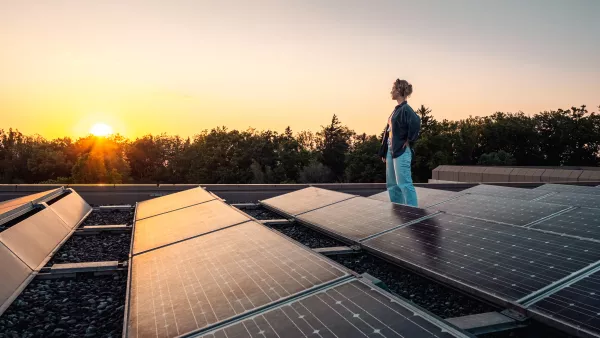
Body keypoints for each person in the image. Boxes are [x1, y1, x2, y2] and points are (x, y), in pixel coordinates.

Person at [378, 79, 421, 207]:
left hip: (401, 151)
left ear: (399, 90)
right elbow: (388, 131)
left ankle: (413, 213)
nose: (391, 91)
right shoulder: (396, 110)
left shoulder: (406, 109)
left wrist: (409, 140)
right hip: (391, 150)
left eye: (393, 89)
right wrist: (384, 150)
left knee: (404, 183)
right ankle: (399, 211)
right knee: (392, 185)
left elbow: (416, 122)